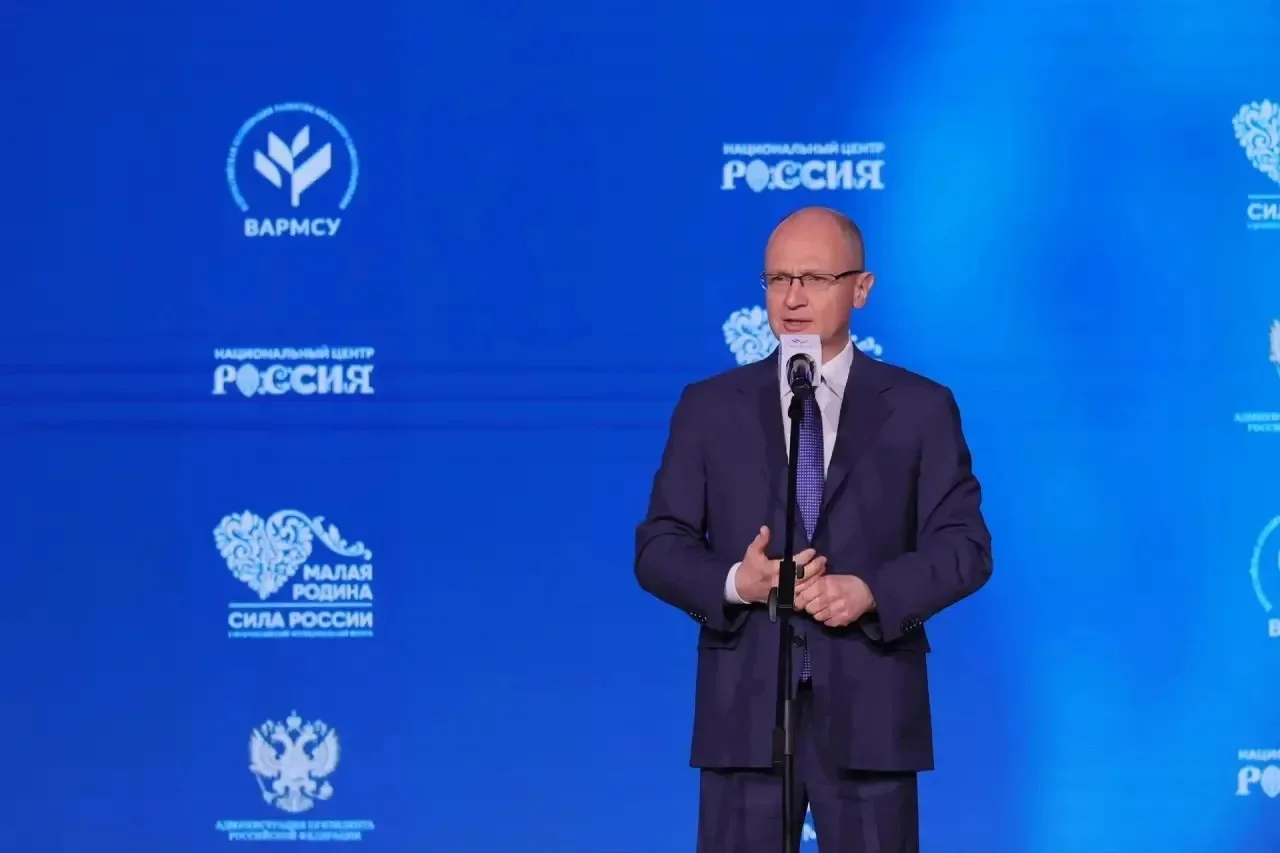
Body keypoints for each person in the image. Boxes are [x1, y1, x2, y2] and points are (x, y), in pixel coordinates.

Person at [635, 206, 992, 852]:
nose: (793, 297)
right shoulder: (709, 407)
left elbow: (964, 547)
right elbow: (659, 546)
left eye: (814, 279)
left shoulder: (919, 408)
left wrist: (872, 592)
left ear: (861, 288)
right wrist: (737, 582)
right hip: (745, 714)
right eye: (778, 279)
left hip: (871, 711)